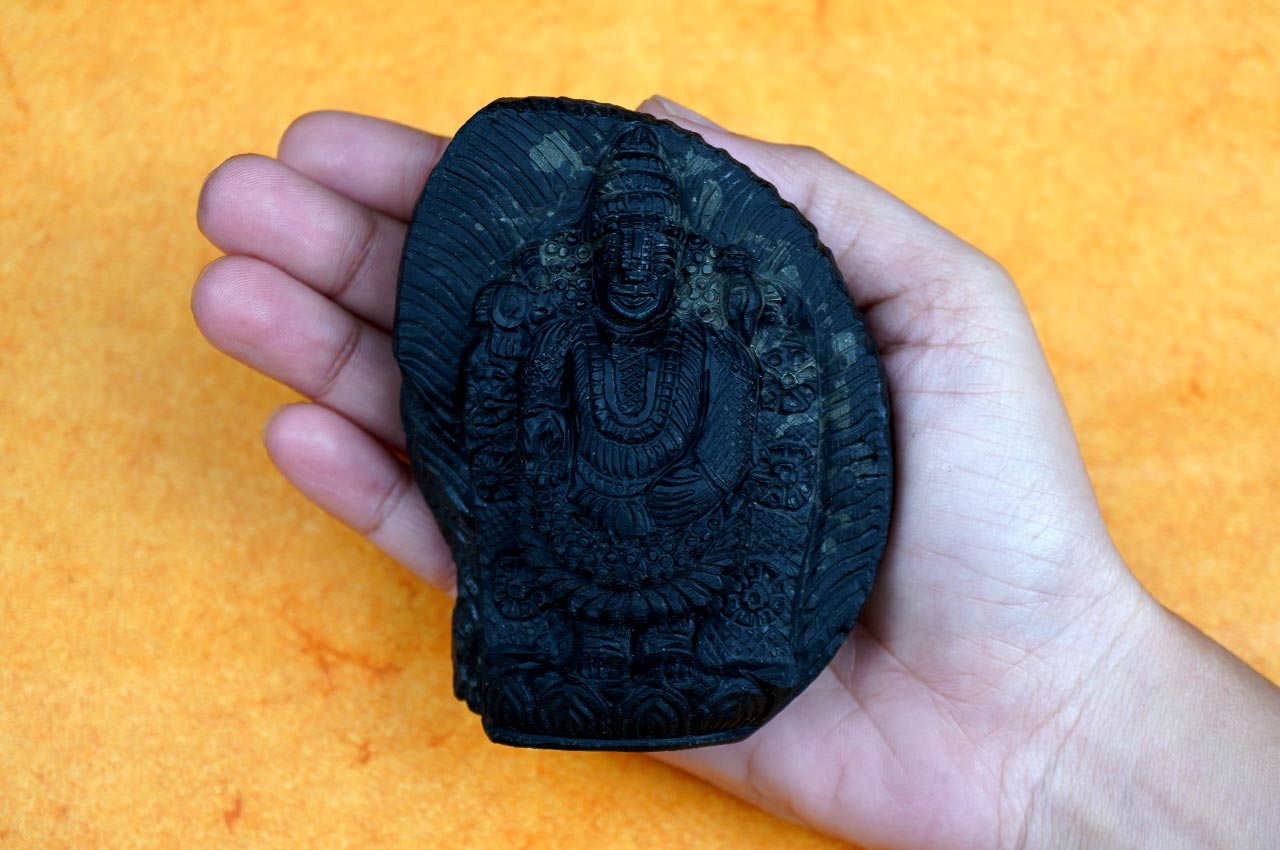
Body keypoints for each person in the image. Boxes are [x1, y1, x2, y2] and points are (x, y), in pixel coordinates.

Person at [192, 96, 1280, 849]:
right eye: (618, 248)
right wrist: (568, 478)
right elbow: (519, 444)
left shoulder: (713, 347)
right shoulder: (553, 336)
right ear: (596, 252)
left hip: (684, 551)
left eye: (653, 250)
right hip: (575, 541)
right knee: (532, 593)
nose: (635, 267)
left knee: (722, 599)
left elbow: (729, 455)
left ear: (674, 256)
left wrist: (692, 490)